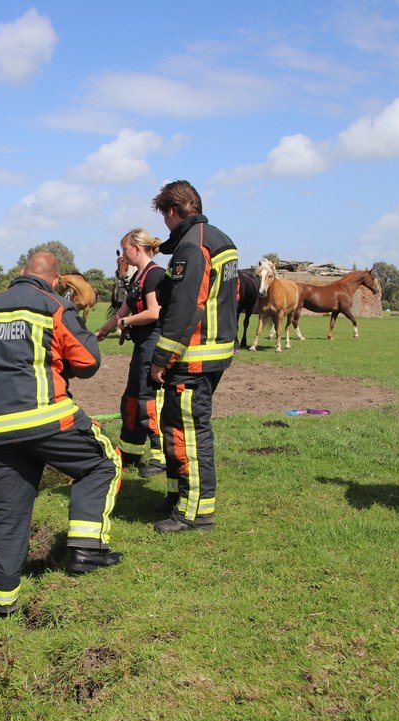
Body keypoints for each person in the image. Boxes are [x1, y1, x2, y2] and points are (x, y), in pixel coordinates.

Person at [0, 252, 123, 618]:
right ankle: (86, 549)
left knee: (6, 516)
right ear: (55, 280)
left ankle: (0, 605)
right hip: (49, 420)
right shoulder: (54, 307)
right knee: (103, 463)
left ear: (20, 273)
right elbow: (89, 363)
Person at [148, 180, 239, 533]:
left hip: (193, 357)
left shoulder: (192, 245)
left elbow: (186, 308)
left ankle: (196, 512)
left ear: (172, 211)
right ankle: (177, 497)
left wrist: (161, 358)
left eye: (164, 217)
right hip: (213, 351)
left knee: (189, 433)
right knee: (175, 428)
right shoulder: (220, 239)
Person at [96, 228, 166, 483]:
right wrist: (102, 331)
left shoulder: (155, 275)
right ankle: (132, 450)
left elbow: (154, 312)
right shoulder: (138, 277)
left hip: (153, 342)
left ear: (137, 247)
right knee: (132, 398)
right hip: (141, 344)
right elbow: (122, 308)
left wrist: (126, 321)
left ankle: (160, 456)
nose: (124, 254)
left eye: (125, 249)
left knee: (148, 399)